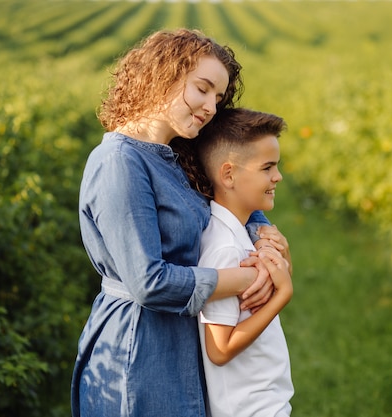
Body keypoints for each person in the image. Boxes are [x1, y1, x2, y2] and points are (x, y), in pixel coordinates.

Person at [70, 29, 291, 417]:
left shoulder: (175, 154)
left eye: (218, 98)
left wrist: (263, 236)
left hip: (179, 335)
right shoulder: (120, 161)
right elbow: (148, 282)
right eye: (202, 89)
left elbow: (227, 194)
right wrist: (244, 277)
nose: (209, 106)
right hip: (138, 345)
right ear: (163, 75)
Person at [195, 108, 294, 417]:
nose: (277, 176)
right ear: (229, 175)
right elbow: (219, 349)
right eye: (267, 167)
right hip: (249, 407)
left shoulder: (240, 234)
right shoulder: (223, 248)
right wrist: (282, 296)